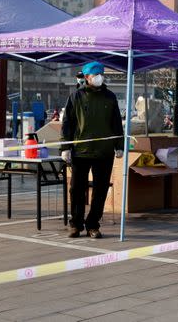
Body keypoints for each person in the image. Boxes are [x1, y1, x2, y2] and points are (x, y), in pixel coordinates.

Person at [61, 62, 124, 239]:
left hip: (104, 152)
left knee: (100, 190)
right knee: (76, 189)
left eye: (101, 74)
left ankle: (93, 224)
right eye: (95, 74)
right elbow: (67, 124)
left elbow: (116, 123)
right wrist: (65, 147)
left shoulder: (110, 97)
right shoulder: (76, 97)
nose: (99, 77)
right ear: (86, 77)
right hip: (81, 151)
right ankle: (76, 224)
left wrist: (119, 145)